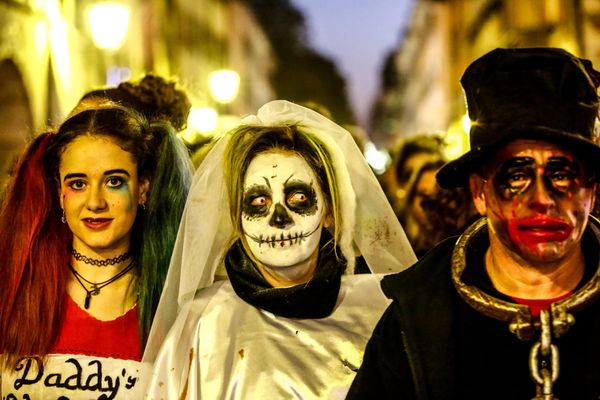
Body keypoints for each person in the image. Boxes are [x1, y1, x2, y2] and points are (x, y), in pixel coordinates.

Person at [347, 47, 600, 399]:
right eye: (516, 175)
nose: (542, 198)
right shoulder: (417, 324)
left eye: (563, 174)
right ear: (480, 192)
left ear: (591, 189)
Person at [143, 100, 416, 399]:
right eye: (258, 202)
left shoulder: (381, 308)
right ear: (238, 216)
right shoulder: (203, 322)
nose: (279, 219)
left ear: (329, 211)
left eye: (299, 197)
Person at [0, 104, 194, 398]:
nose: (95, 202)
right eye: (78, 184)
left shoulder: (180, 306)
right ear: (58, 193)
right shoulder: (12, 289)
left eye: (114, 182)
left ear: (143, 187)